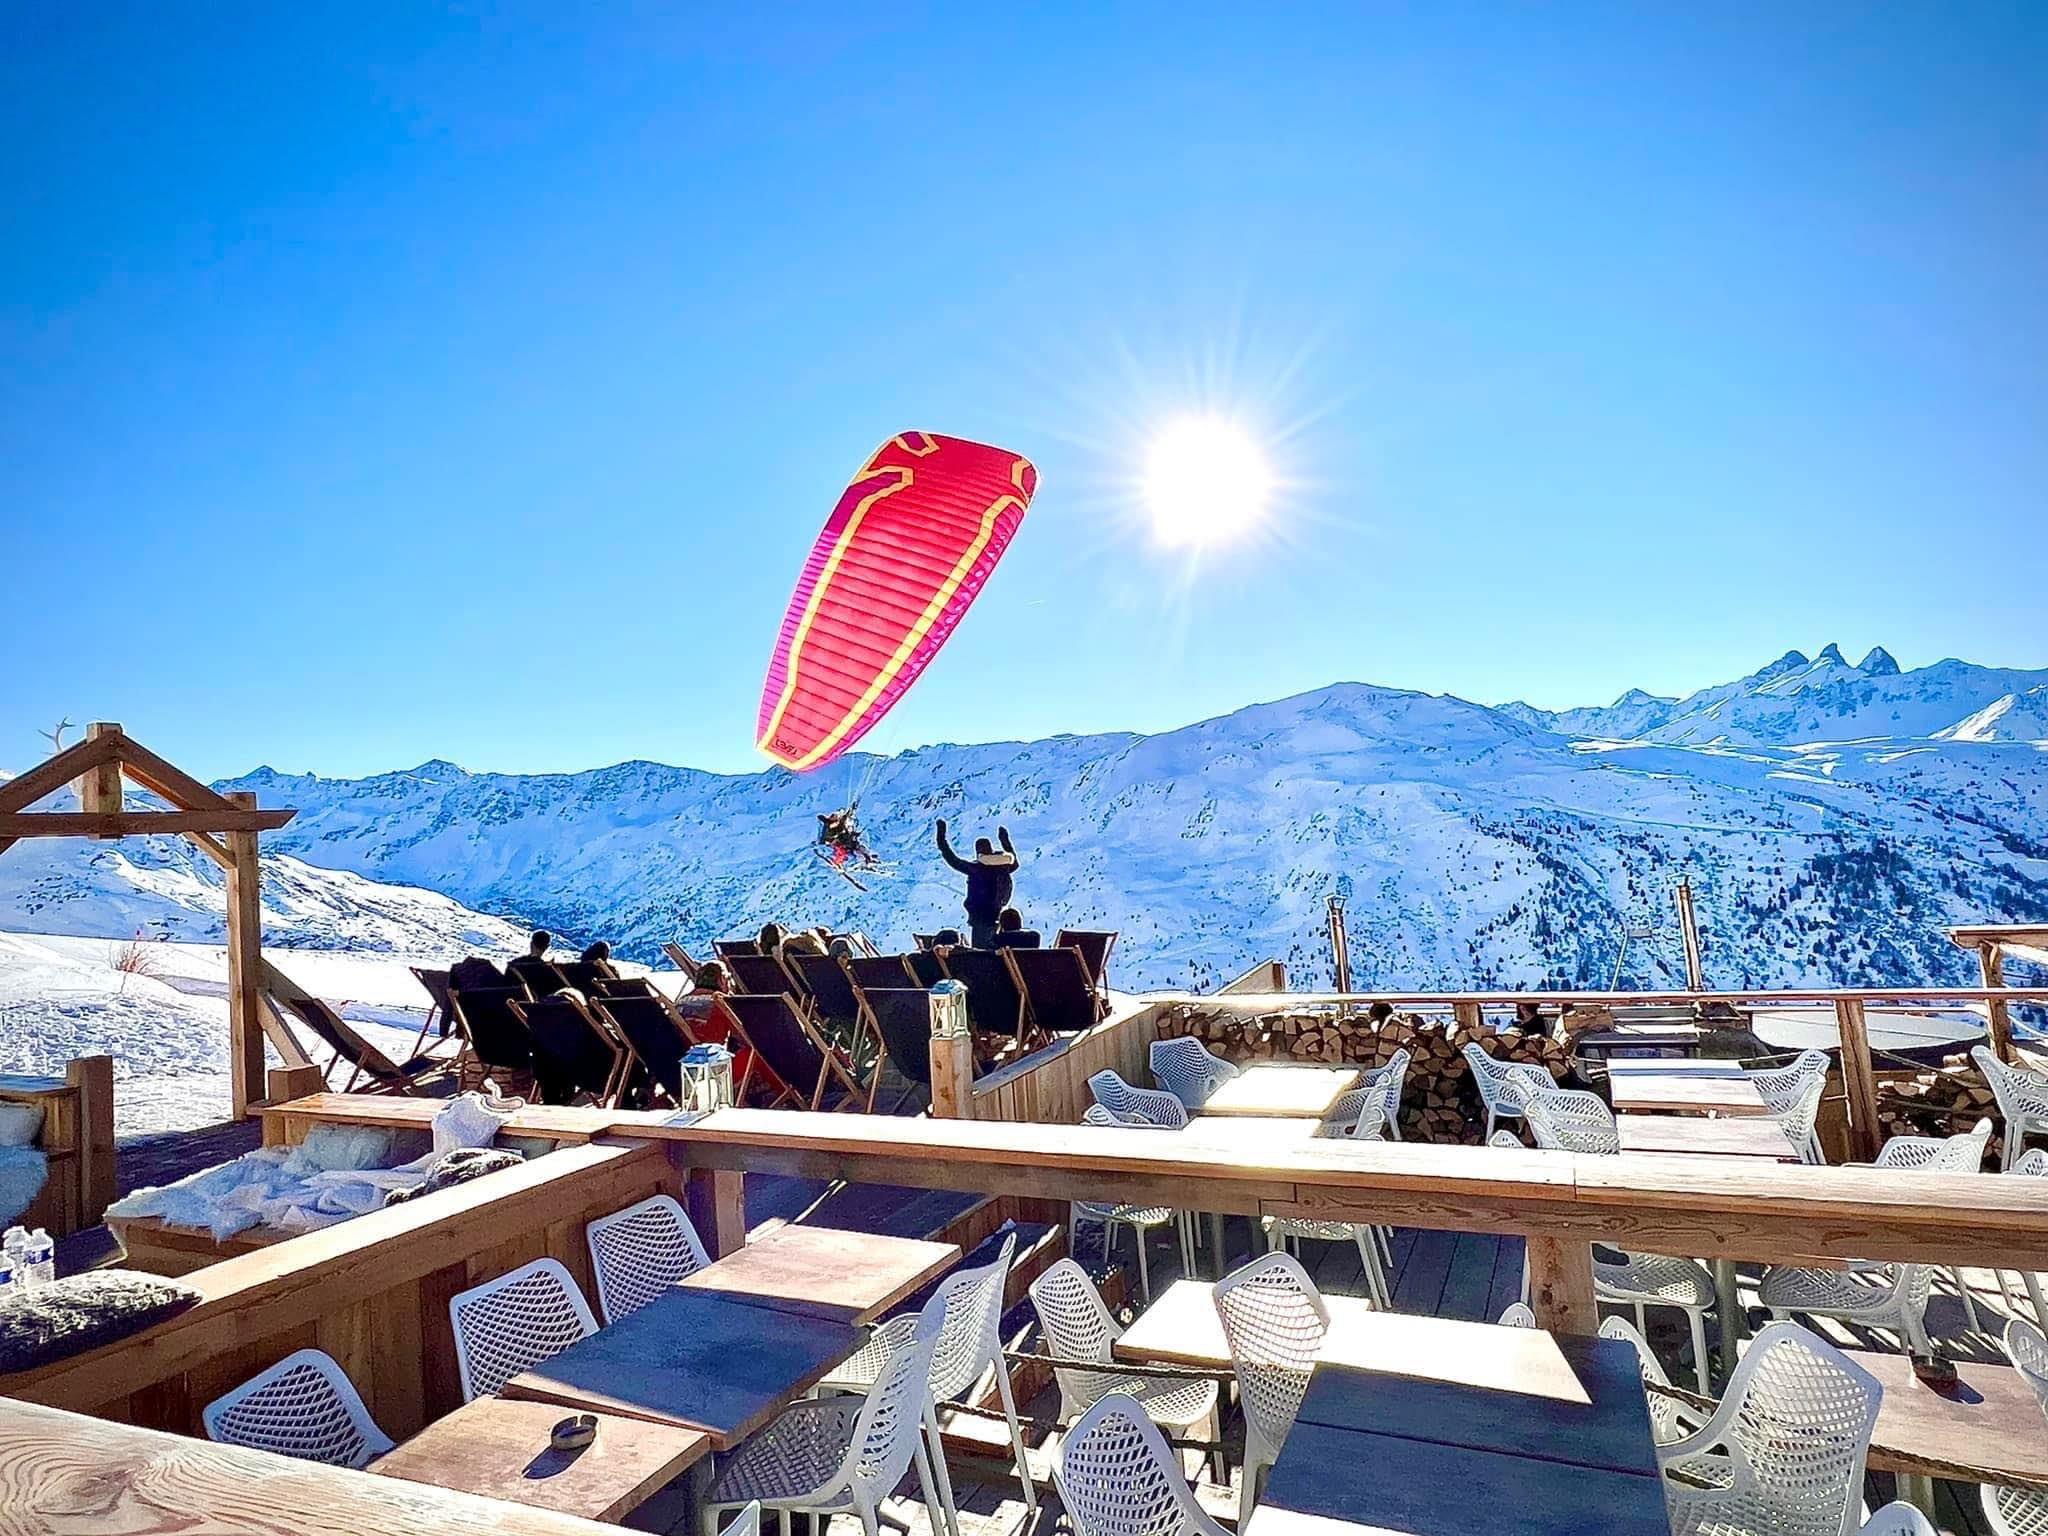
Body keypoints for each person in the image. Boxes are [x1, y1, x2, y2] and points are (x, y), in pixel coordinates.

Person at [935, 818, 1018, 949]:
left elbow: (952, 859)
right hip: (998, 913)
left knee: (982, 952)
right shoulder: (1004, 867)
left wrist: (941, 837)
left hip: (980, 917)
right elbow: (1014, 862)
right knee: (997, 949)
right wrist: (1005, 841)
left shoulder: (976, 869)